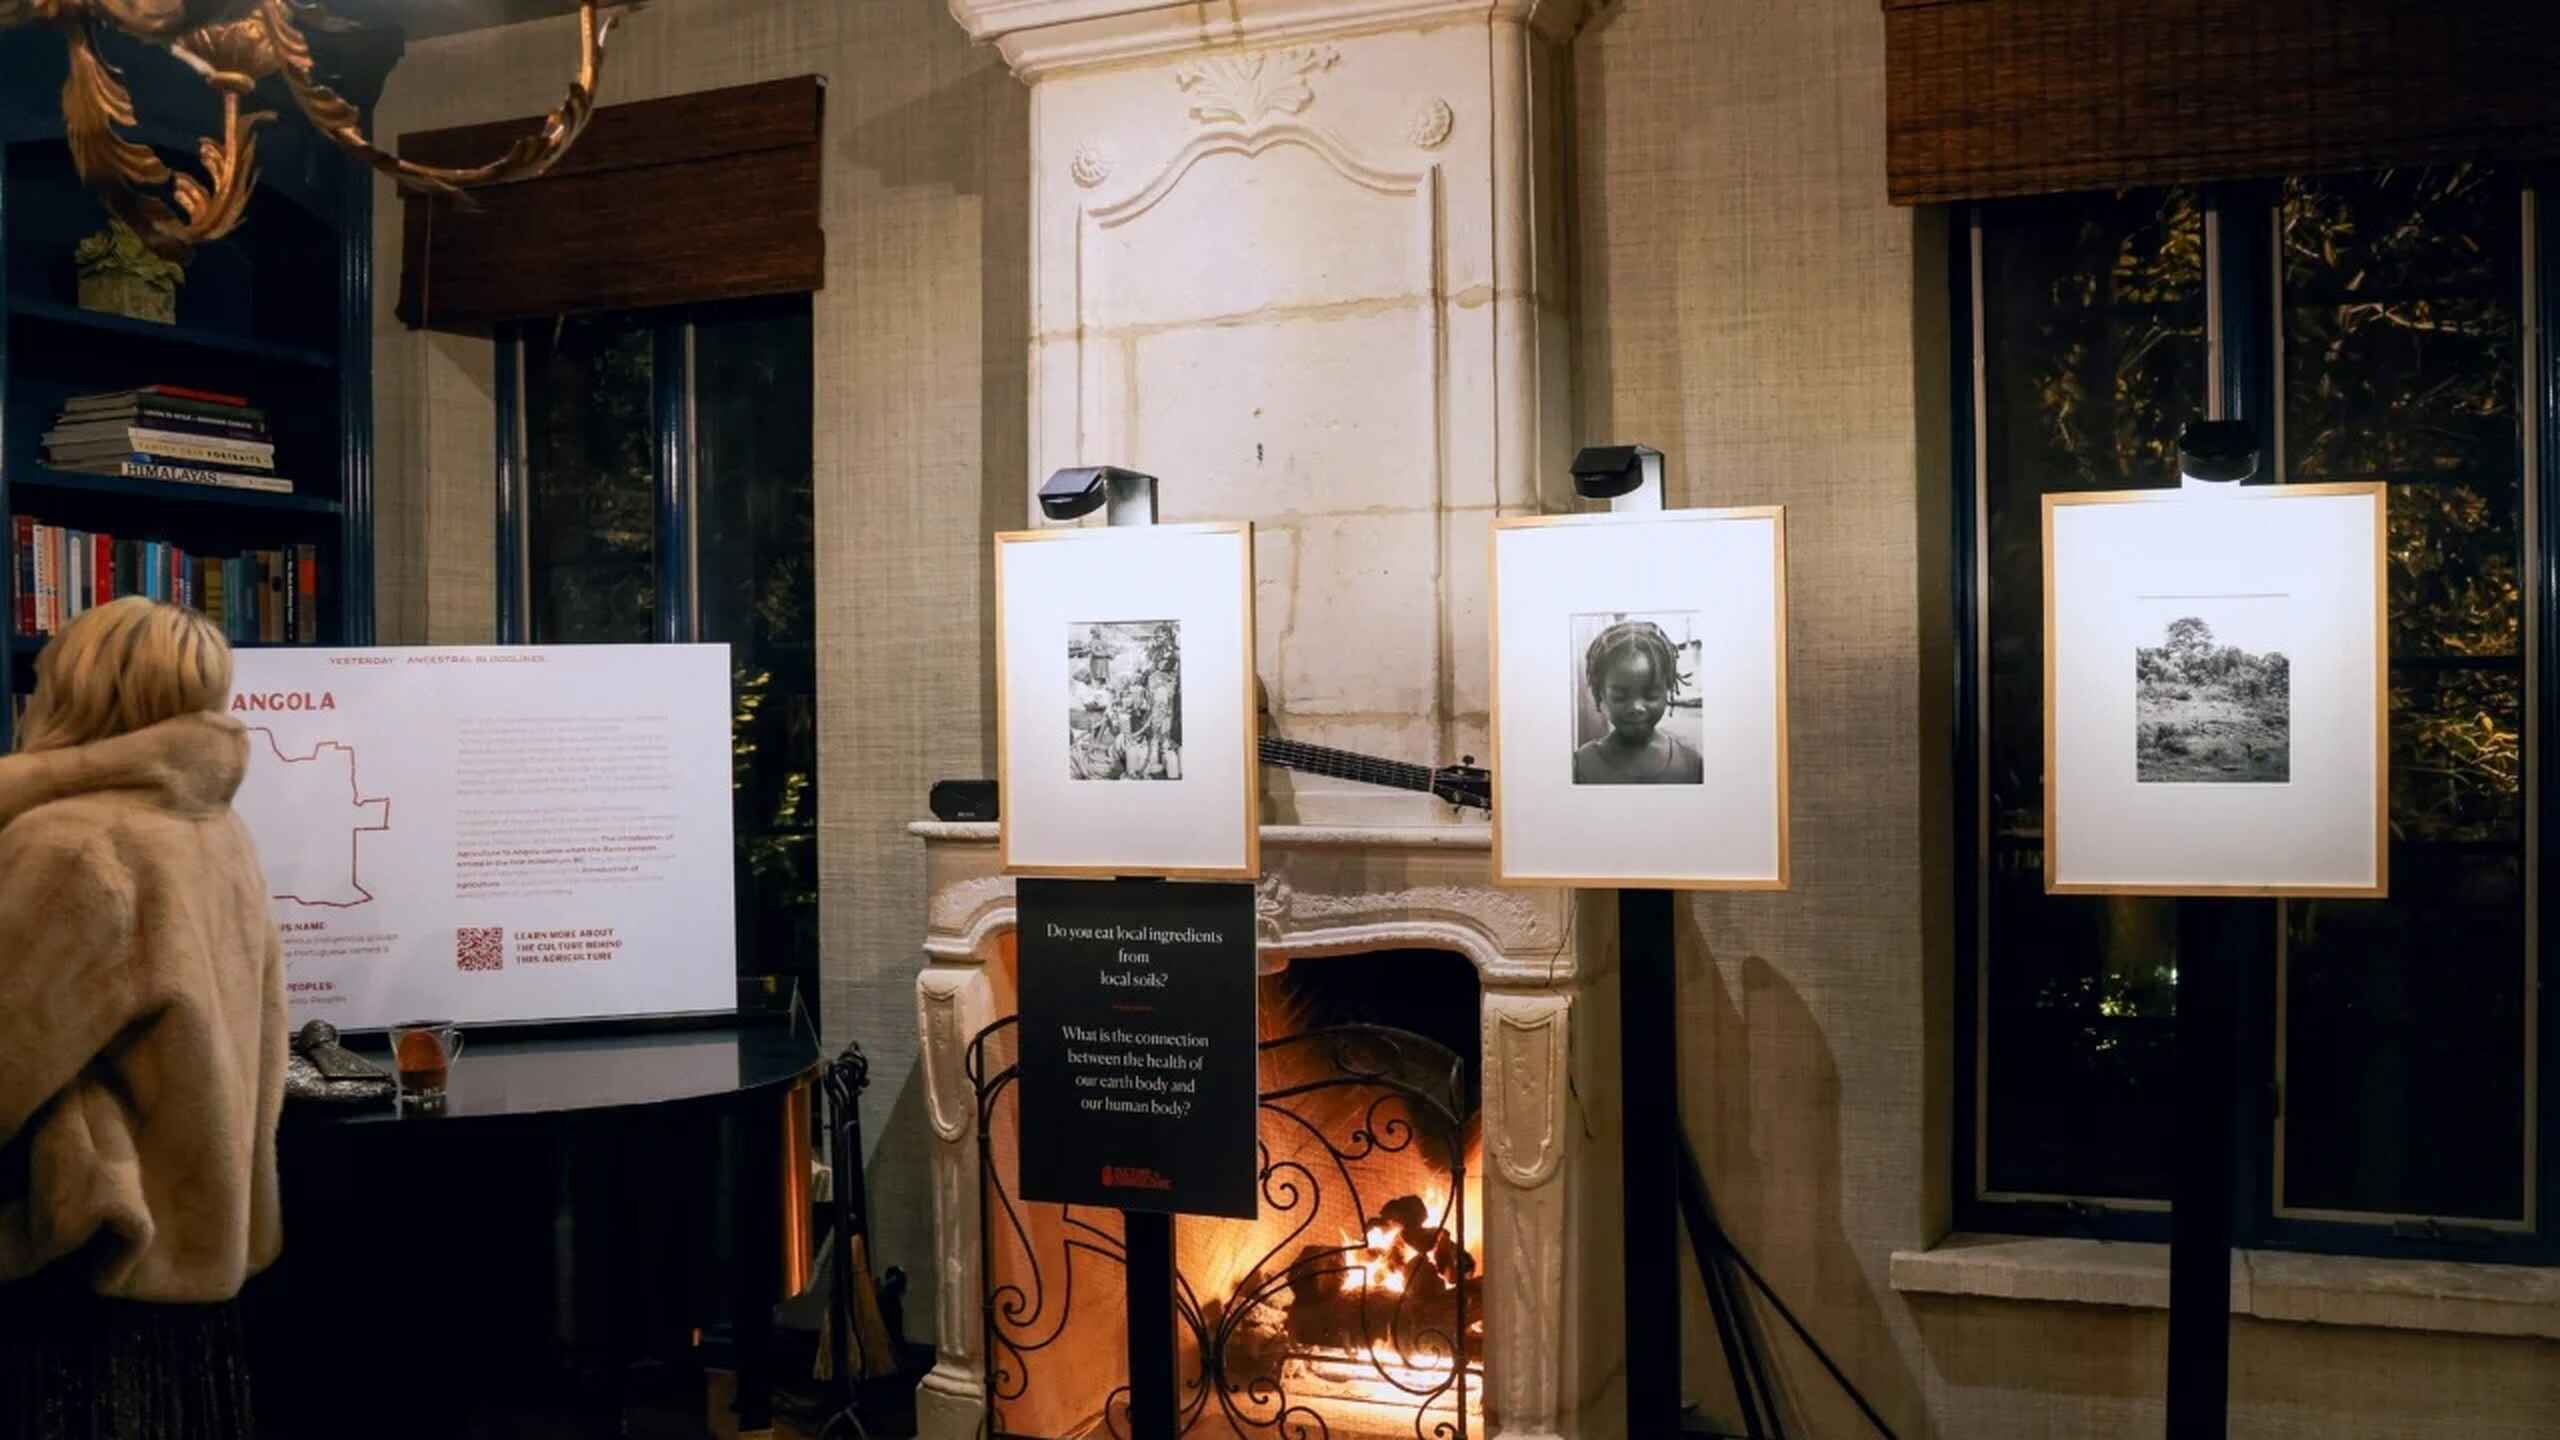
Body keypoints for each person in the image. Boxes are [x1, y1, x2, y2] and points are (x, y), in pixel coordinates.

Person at [0, 597, 284, 1439]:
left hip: (77, 1270)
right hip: (189, 1272)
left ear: (79, 691)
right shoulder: (217, 831)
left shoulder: (73, 846)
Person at [1572, 618, 1705, 785]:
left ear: (1668, 690)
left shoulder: (1692, 764)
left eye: (1650, 695)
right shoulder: (1581, 765)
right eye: (1620, 696)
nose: (1636, 707)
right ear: (1600, 695)